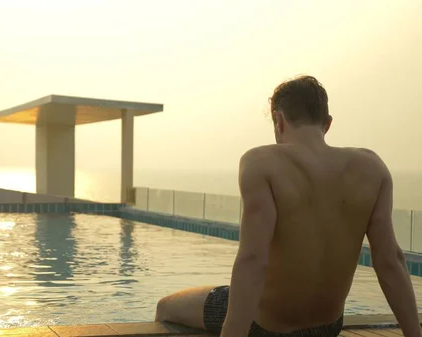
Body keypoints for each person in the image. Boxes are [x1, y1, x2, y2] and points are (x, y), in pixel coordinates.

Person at [154, 75, 421, 337]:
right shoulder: (372, 167)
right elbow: (389, 261)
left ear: (279, 121)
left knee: (165, 307)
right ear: (327, 124)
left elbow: (253, 260)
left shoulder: (261, 162)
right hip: (328, 325)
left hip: (265, 327)